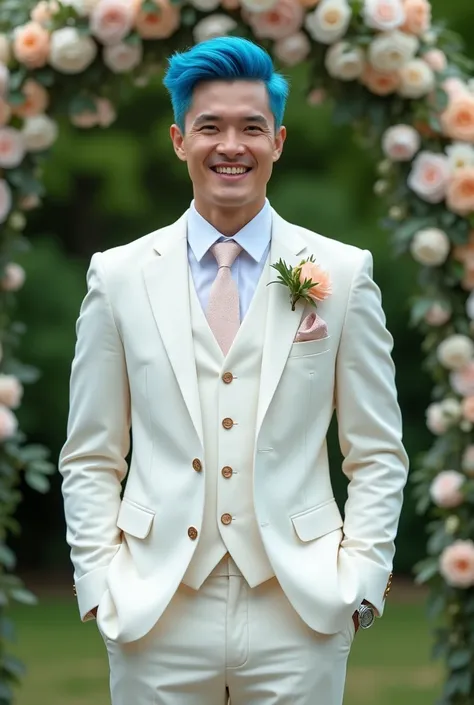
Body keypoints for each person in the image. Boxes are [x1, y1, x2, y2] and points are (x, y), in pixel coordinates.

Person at [59, 35, 409, 705]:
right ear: (177, 139)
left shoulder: (342, 273)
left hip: (300, 604)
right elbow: (91, 453)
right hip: (154, 606)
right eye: (210, 126)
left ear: (277, 141)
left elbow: (376, 452)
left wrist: (360, 582)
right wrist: (100, 586)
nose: (231, 145)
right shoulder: (119, 276)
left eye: (251, 127)